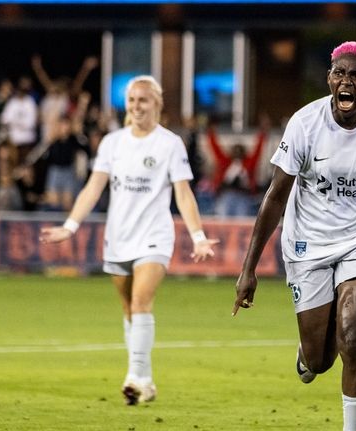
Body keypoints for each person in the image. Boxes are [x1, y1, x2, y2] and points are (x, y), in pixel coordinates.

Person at [232, 42, 356, 431]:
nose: (346, 81)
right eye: (340, 73)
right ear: (329, 79)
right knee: (320, 361)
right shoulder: (305, 123)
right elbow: (274, 199)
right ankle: (308, 354)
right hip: (309, 243)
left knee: (354, 337)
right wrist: (248, 270)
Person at [39, 76, 217, 406]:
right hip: (119, 236)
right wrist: (70, 226)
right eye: (132, 100)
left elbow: (183, 193)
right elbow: (93, 187)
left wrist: (198, 236)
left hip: (154, 236)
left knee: (140, 301)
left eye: (143, 100)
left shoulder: (169, 144)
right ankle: (145, 381)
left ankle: (134, 376)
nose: (136, 106)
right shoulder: (112, 143)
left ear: (157, 104)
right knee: (127, 309)